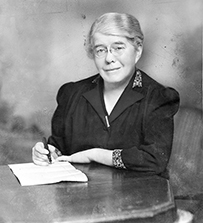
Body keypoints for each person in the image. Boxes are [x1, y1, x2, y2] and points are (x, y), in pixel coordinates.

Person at [32, 12, 180, 177]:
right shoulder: (72, 94)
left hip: (137, 197)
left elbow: (155, 160)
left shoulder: (158, 97)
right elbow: (59, 148)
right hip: (80, 197)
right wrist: (46, 154)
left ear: (137, 49)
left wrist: (95, 154)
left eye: (118, 48)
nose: (109, 58)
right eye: (100, 50)